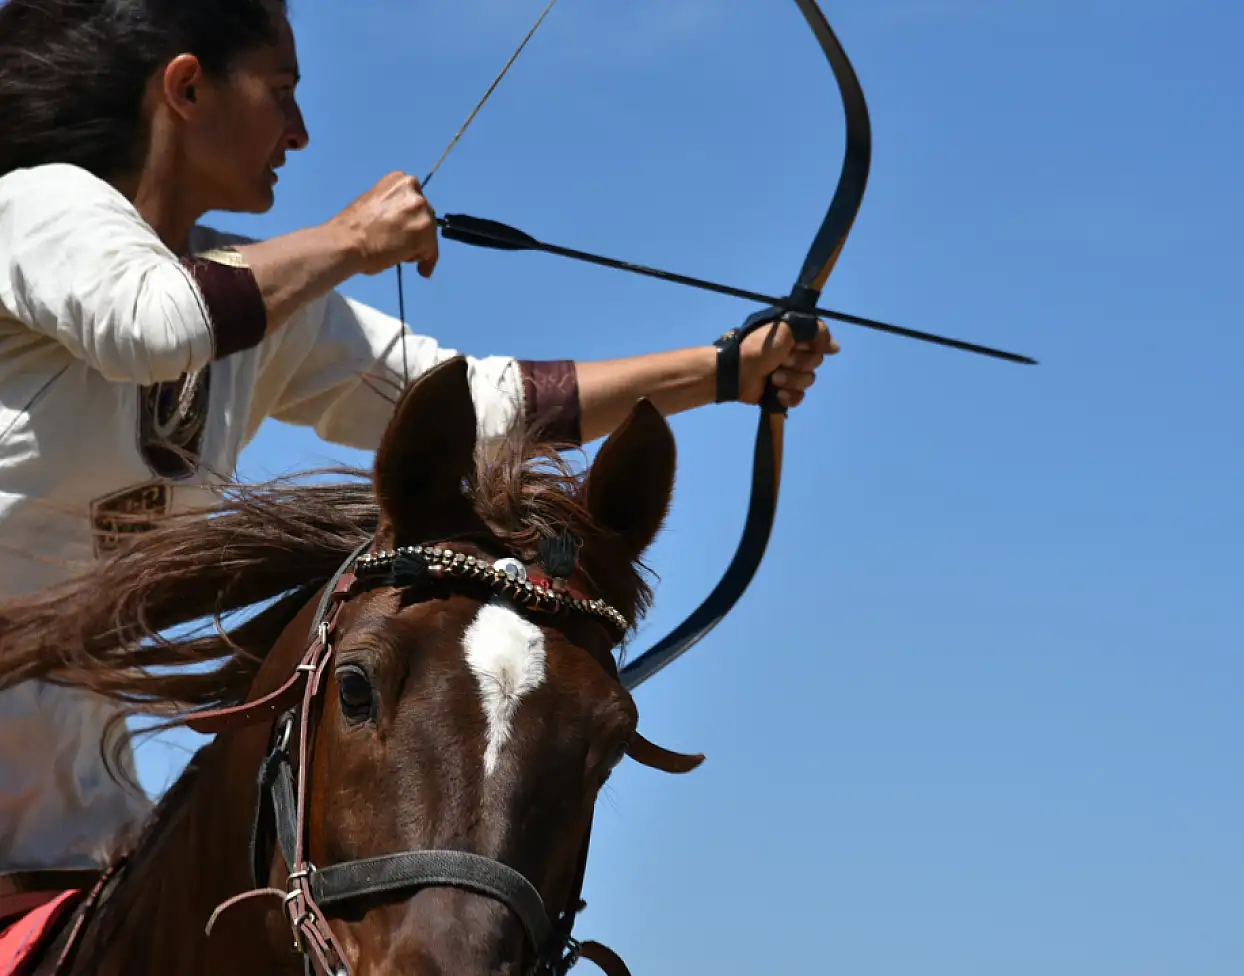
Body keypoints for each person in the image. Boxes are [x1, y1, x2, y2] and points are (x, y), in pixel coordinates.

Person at [0, 0, 838, 887]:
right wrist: (354, 239)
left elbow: (491, 407)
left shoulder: (265, 304)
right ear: (187, 86)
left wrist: (724, 373)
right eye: (281, 91)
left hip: (73, 825)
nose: (301, 131)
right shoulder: (35, 204)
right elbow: (151, 323)